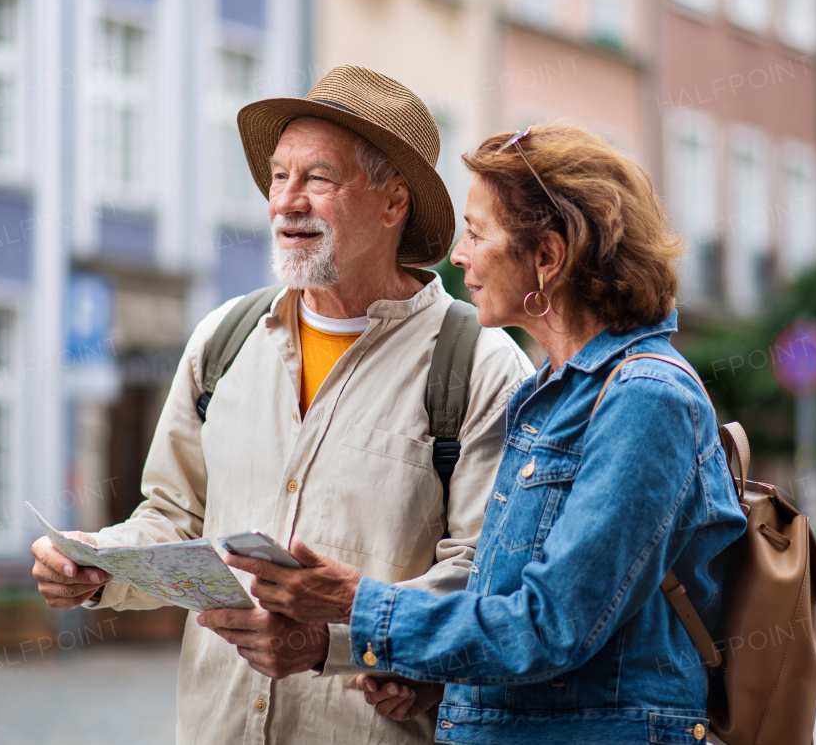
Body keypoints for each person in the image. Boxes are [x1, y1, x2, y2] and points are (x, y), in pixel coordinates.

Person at [30, 66, 533, 744]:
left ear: (393, 204)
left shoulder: (478, 365)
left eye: (318, 179)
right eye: (277, 177)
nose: (285, 202)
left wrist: (333, 638)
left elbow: (486, 579)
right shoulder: (222, 341)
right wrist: (98, 560)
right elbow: (174, 519)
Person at [210, 124, 748, 743]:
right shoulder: (551, 393)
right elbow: (509, 623)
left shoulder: (645, 400)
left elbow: (551, 627)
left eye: (476, 231)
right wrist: (442, 679)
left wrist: (354, 602)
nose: (458, 254)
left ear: (547, 258)